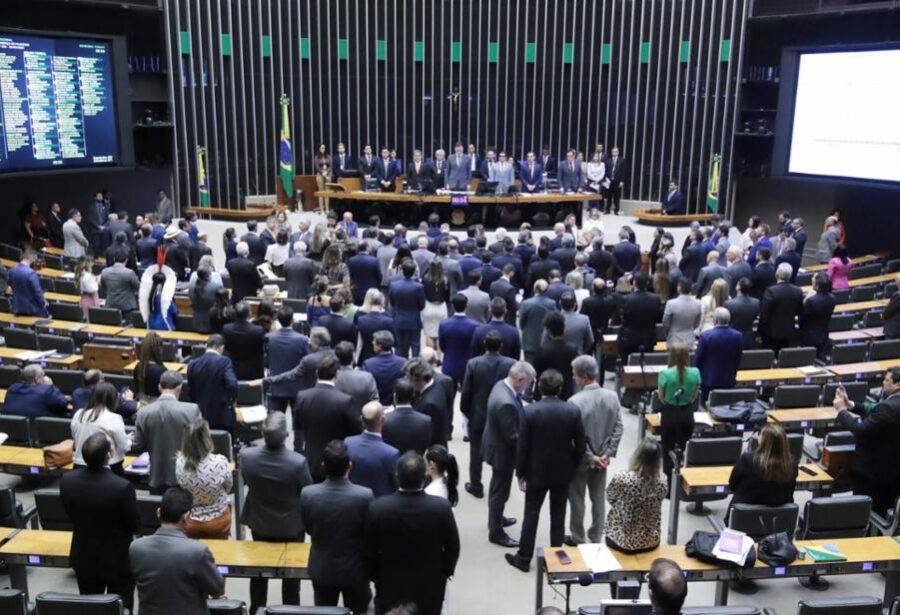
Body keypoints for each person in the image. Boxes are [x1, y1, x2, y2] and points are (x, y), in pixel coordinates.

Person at [506, 370, 586, 572]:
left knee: (531, 514)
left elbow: (523, 447)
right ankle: (555, 561)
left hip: (536, 472)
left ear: (539, 387)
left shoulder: (530, 411)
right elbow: (581, 445)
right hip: (562, 473)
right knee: (558, 516)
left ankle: (524, 558)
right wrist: (573, 467)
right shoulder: (572, 410)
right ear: (560, 388)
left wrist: (520, 473)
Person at [365, 451, 461, 615]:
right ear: (424, 477)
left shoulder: (378, 508)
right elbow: (453, 546)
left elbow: (369, 550)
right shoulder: (441, 508)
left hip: (390, 586)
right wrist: (443, 573)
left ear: (397, 476)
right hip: (430, 587)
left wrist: (377, 576)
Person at [240, 412, 312, 611]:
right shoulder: (297, 462)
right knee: (290, 577)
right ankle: (289, 610)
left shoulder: (247, 456)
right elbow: (306, 491)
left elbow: (247, 481)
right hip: (291, 526)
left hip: (259, 522)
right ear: (286, 435)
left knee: (258, 572)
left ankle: (257, 608)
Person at [60, 433, 140, 611]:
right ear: (109, 456)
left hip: (84, 555)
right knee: (121, 608)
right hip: (117, 558)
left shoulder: (67, 480)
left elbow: (69, 513)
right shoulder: (122, 486)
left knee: (90, 608)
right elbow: (134, 524)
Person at [299, 441, 374, 612]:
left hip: (323, 568)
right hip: (355, 570)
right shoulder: (365, 496)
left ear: (323, 465)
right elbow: (367, 532)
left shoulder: (308, 494)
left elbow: (309, 528)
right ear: (350, 465)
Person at [129, 487, 225, 614]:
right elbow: (217, 589)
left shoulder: (136, 547)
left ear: (158, 513)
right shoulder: (197, 551)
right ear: (186, 517)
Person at [566, 356, 622, 546]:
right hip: (603, 458)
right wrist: (606, 454)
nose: (573, 378)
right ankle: (596, 535)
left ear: (583, 376)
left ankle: (577, 537)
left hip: (581, 459)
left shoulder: (574, 401)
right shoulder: (612, 396)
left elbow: (577, 436)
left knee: (577, 498)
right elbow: (618, 427)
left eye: (574, 374)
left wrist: (592, 457)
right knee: (598, 498)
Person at [482, 362, 535, 547]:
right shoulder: (506, 402)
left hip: (495, 443)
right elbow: (512, 437)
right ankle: (496, 532)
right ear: (520, 380)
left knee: (496, 487)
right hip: (502, 453)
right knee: (500, 492)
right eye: (528, 383)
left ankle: (496, 518)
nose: (529, 387)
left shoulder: (501, 385)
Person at [834, 367, 900, 515]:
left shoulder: (888, 408)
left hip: (873, 474)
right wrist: (849, 404)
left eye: (887, 380)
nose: (883, 383)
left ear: (897, 384)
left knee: (863, 513)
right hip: (894, 473)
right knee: (884, 510)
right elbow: (875, 410)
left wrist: (842, 411)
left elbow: (860, 431)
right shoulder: (889, 406)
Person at [460, 331, 515, 499]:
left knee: (475, 451)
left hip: (478, 413)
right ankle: (497, 486)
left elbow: (466, 390)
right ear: (501, 345)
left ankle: (476, 485)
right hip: (502, 414)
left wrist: (465, 410)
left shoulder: (473, 363)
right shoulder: (510, 363)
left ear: (484, 344)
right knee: (500, 450)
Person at [293, 356, 362, 481]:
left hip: (311, 459)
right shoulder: (345, 400)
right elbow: (357, 430)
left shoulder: (302, 396)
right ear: (337, 374)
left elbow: (298, 426)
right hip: (337, 461)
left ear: (316, 373)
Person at [133, 371, 202, 494]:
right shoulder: (192, 410)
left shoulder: (143, 412)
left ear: (159, 386)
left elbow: (138, 445)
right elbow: (199, 444)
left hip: (155, 476)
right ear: (180, 387)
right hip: (185, 477)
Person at [605, 437, 668, 553]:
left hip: (622, 541)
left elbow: (610, 497)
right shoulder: (663, 480)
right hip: (650, 541)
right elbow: (661, 497)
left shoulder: (622, 478)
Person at [176, 419, 233, 538]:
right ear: (207, 439)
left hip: (191, 521)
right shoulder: (220, 461)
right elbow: (228, 487)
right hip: (219, 520)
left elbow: (181, 487)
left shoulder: (179, 462)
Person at [657, 343, 700, 484]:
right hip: (687, 414)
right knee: (683, 449)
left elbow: (662, 398)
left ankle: (669, 485)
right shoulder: (695, 373)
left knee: (668, 450)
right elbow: (694, 397)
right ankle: (681, 482)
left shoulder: (665, 374)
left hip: (670, 414)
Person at [728, 424, 797, 510]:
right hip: (779, 520)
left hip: (744, 518)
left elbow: (732, 486)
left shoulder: (747, 459)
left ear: (763, 440)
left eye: (760, 434)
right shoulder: (792, 462)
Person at [71, 383, 131, 474]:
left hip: (79, 465)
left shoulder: (78, 413)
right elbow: (125, 447)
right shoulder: (114, 417)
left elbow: (75, 438)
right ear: (113, 399)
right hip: (108, 468)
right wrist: (128, 439)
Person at [345, 401, 400, 497]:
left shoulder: (348, 443)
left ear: (362, 419)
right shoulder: (392, 453)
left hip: (354, 502)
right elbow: (397, 485)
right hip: (380, 505)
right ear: (383, 420)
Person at [696, 308, 744, 402]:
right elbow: (738, 358)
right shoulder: (738, 336)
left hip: (709, 379)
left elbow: (699, 359)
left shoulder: (706, 336)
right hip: (729, 378)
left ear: (715, 320)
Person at [533, 312, 580, 401]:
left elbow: (536, 371)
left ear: (548, 330)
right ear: (563, 328)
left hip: (544, 391)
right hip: (565, 391)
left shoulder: (542, 349)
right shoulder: (573, 349)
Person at [760, 262, 804, 354]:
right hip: (788, 331)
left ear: (776, 275)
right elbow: (799, 311)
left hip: (771, 333)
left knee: (768, 358)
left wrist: (759, 332)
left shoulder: (771, 291)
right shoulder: (798, 291)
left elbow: (764, 315)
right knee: (784, 358)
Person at [617, 273, 662, 363]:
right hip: (648, 338)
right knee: (647, 363)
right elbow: (659, 318)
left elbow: (622, 318)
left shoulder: (626, 299)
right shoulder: (656, 298)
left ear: (634, 283)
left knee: (626, 365)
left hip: (629, 338)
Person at [2, 364, 68, 424]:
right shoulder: (46, 390)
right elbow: (63, 403)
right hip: (39, 433)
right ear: (37, 379)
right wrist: (51, 385)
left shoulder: (12, 388)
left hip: (11, 433)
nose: (45, 377)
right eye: (43, 375)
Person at [438, 293, 480, 387]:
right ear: (467, 306)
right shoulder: (475, 326)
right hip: (468, 366)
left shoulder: (444, 324)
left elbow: (442, 345)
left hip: (450, 364)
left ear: (452, 306)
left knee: (448, 398)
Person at [407, 358, 451, 446]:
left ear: (418, 379)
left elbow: (428, 435)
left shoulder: (430, 404)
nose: (407, 381)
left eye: (409, 378)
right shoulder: (435, 384)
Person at [389, 259, 426, 358]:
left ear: (401, 270)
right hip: (414, 319)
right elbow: (422, 305)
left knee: (400, 345)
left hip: (399, 318)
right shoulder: (419, 287)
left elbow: (392, 302)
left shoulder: (394, 285)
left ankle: (401, 365)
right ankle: (415, 366)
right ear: (414, 271)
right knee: (415, 345)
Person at [222, 301, 266, 380]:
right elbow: (262, 350)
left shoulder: (226, 329)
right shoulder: (258, 330)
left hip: (233, 371)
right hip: (254, 373)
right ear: (249, 314)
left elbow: (226, 349)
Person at [800, 273, 837, 361]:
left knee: (808, 359)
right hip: (824, 333)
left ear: (817, 286)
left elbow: (802, 319)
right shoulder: (833, 298)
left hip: (809, 335)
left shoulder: (811, 301)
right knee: (820, 357)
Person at [663, 278, 701, 346]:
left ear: (679, 288)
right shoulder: (698, 304)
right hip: (690, 339)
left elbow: (665, 323)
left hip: (673, 339)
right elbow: (697, 323)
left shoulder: (671, 303)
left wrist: (668, 334)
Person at [8, 251, 48, 316]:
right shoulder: (31, 273)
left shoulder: (11, 270)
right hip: (32, 309)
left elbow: (11, 286)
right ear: (31, 259)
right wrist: (44, 303)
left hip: (16, 308)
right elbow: (37, 292)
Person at [100, 251, 140, 316]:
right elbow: (138, 287)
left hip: (110, 305)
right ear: (126, 260)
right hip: (127, 307)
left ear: (114, 259)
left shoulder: (104, 272)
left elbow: (103, 286)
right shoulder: (129, 273)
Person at [725, 278, 760, 349]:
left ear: (738, 287)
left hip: (732, 338)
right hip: (749, 338)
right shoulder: (756, 302)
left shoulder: (728, 303)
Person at [134, 331, 167, 402]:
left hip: (141, 405)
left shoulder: (138, 367)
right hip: (157, 406)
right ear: (159, 349)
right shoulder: (162, 371)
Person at [187, 266, 221, 333]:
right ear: (209, 275)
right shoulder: (216, 287)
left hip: (196, 321)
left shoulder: (191, 286)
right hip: (211, 322)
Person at [604, 146, 625, 214]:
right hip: (609, 181)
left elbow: (623, 171)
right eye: (613, 151)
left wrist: (622, 181)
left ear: (618, 152)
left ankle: (616, 210)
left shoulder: (622, 160)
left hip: (617, 181)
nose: (614, 153)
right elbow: (606, 171)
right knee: (608, 196)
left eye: (616, 151)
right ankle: (607, 210)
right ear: (611, 152)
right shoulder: (608, 160)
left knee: (616, 197)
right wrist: (605, 179)